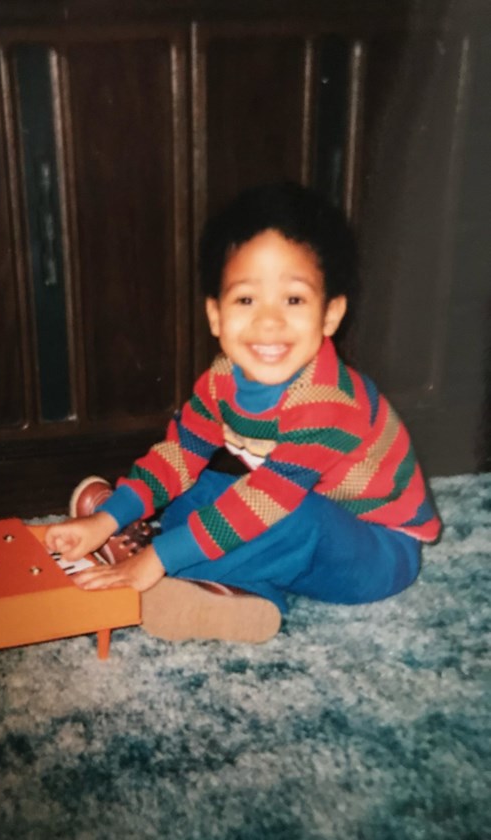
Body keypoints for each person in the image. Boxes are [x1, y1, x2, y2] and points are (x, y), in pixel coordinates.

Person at [45, 181, 441, 643]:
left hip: (377, 551)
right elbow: (179, 454)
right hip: (300, 512)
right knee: (204, 489)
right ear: (216, 315)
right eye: (246, 299)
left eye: (293, 299)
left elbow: (266, 501)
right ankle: (238, 594)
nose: (268, 321)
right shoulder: (221, 381)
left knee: (274, 513)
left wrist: (154, 559)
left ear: (330, 315)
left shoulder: (329, 403)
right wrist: (106, 518)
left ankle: (156, 555)